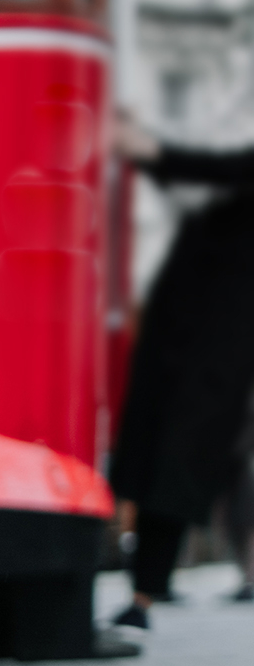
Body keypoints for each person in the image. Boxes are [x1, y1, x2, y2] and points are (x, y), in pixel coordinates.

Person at [110, 108, 254, 629]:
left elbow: (223, 170)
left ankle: (147, 592)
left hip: (219, 340)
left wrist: (150, 150)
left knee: (179, 458)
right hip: (187, 328)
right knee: (159, 454)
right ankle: (150, 586)